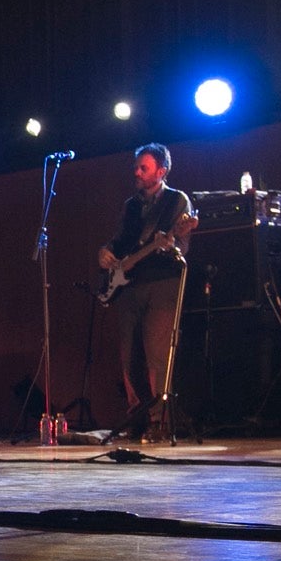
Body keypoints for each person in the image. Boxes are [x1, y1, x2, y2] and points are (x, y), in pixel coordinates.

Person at [97, 143, 198, 441]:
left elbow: (181, 244)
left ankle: (158, 421)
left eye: (144, 168)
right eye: (137, 167)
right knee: (129, 356)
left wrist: (170, 244)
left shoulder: (176, 201)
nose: (137, 172)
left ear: (161, 172)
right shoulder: (131, 205)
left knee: (157, 353)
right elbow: (119, 240)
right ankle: (135, 417)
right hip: (129, 285)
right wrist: (106, 252)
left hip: (162, 282)